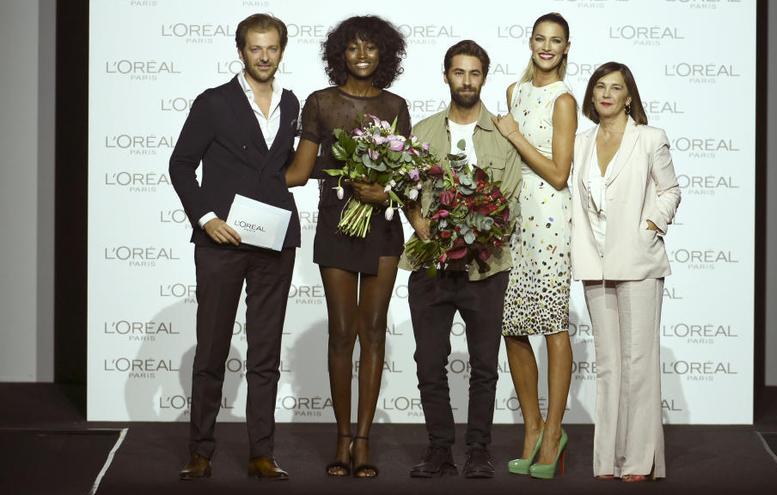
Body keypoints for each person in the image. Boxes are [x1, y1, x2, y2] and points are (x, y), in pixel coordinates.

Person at [169, 13, 300, 481]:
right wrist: (207, 219)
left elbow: (284, 169)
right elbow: (181, 165)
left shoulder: (292, 102)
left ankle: (261, 453)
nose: (263, 56)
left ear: (282, 50)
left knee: (265, 353)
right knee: (211, 349)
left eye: (271, 48)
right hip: (222, 243)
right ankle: (200, 451)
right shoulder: (214, 102)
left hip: (275, 241)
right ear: (240, 51)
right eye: (254, 48)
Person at [284, 15, 410, 478]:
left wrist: (386, 191)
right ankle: (340, 437)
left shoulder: (396, 104)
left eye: (371, 48)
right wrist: (247, 182)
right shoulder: (319, 103)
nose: (362, 55)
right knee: (342, 332)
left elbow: (405, 176)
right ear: (341, 53)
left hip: (382, 230)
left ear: (384, 55)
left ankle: (363, 440)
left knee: (373, 330)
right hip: (338, 225)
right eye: (353, 48)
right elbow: (300, 169)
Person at [400, 40, 522, 480]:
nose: (466, 81)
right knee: (429, 362)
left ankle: (478, 451)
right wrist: (422, 226)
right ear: (446, 75)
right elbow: (406, 190)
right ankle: (438, 450)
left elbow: (507, 198)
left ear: (483, 78)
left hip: (485, 269)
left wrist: (476, 234)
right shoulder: (424, 131)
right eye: (458, 72)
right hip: (429, 266)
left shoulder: (503, 135)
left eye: (474, 73)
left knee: (484, 366)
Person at [570, 61, 681, 482]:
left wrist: (651, 225)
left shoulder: (650, 138)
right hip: (593, 262)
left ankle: (638, 460)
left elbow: (670, 189)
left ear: (628, 96)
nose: (606, 94)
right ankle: (607, 461)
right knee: (608, 364)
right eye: (600, 86)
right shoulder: (580, 142)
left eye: (615, 88)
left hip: (638, 262)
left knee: (638, 361)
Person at [492, 12, 577, 480]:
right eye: (540, 39)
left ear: (566, 48)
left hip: (548, 217)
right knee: (512, 324)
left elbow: (560, 173)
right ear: (530, 42)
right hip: (512, 217)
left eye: (556, 41)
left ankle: (553, 432)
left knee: (552, 325)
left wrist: (515, 134)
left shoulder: (563, 100)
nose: (547, 47)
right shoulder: (513, 92)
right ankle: (531, 426)